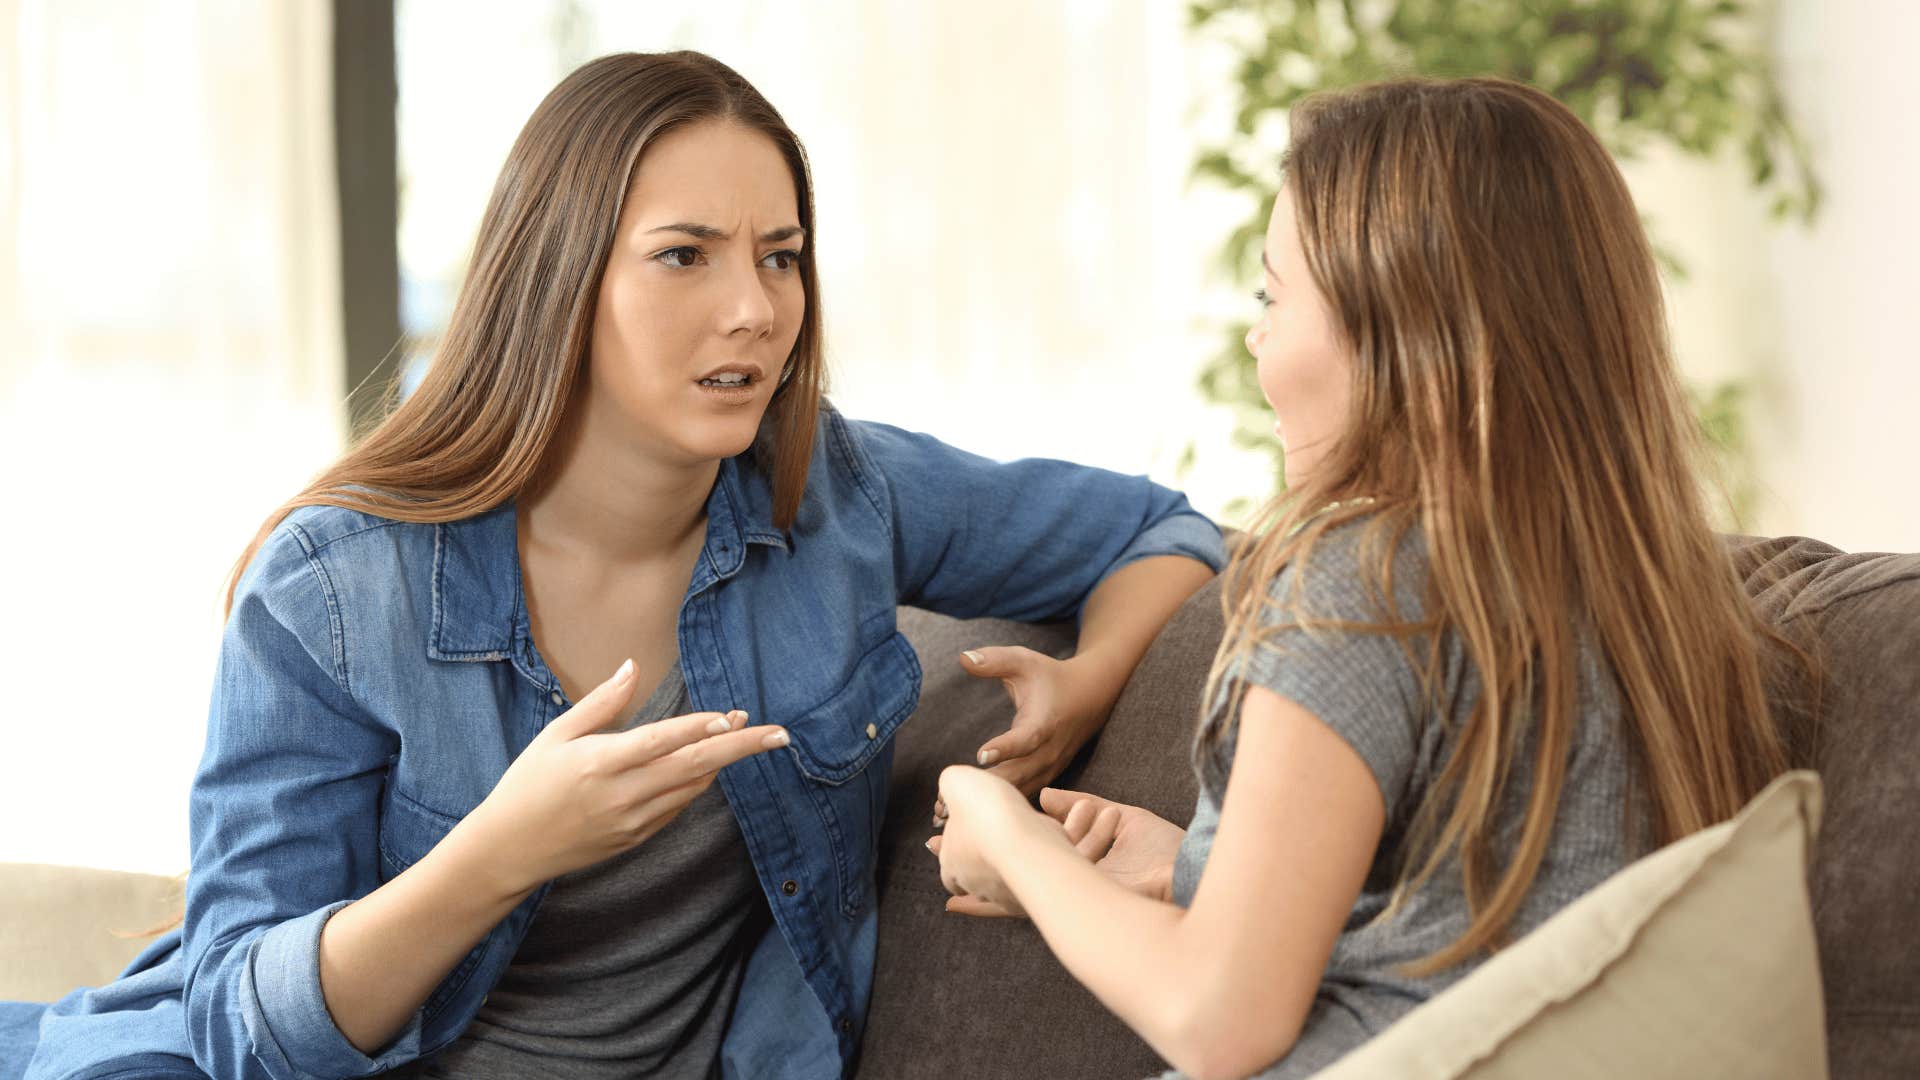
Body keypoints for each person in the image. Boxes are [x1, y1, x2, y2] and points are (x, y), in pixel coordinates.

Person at [0, 51, 1223, 1080]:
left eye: (781, 255)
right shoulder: (334, 589)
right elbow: (237, 1027)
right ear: (560, 279)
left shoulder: (835, 496)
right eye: (684, 255)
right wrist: (503, 852)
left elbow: (1161, 532)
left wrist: (1096, 672)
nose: (754, 308)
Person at [930, 76, 1807, 1080]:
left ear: (1400, 327)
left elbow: (1216, 1020)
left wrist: (1010, 840)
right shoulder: (1641, 594)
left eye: (1272, 294)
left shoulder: (1362, 582)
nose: (1255, 337)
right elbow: (1486, 930)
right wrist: (1193, 868)